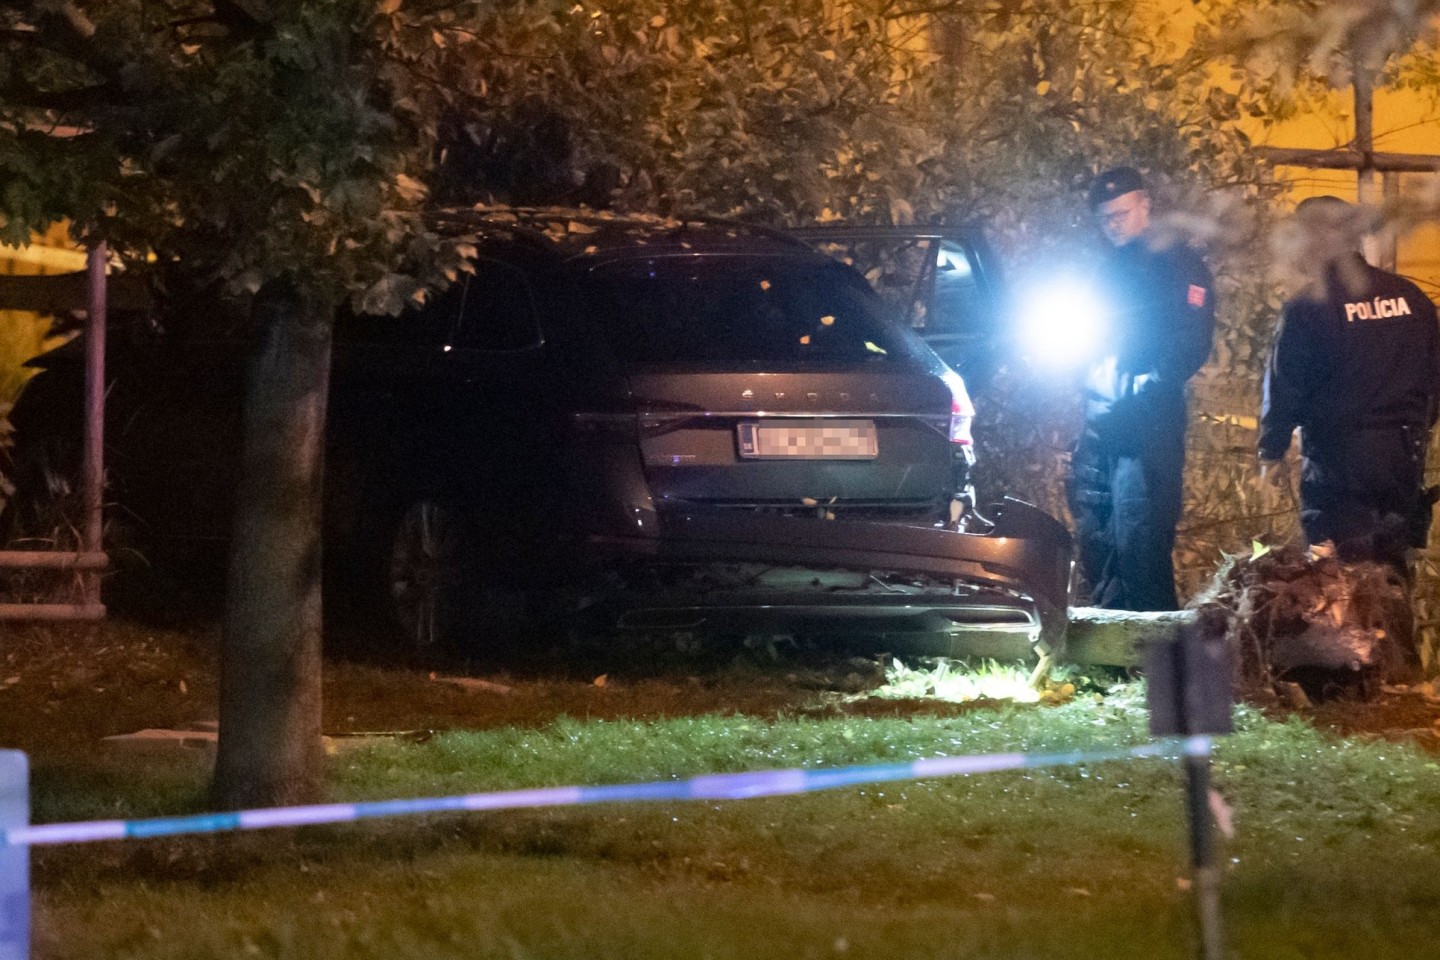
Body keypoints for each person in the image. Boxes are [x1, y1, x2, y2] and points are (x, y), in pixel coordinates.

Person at [1259, 195, 1440, 571]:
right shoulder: (1412, 299)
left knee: (1336, 586)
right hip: (1401, 462)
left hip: (1336, 471)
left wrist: (1271, 454)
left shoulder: (1307, 309)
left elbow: (1284, 389)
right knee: (1389, 581)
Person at [1067, 166, 1216, 610]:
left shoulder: (1180, 264)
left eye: (1120, 213)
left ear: (1145, 205)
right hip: (1101, 422)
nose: (1112, 225)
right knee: (1098, 537)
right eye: (1104, 218)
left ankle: (1157, 661)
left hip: (1148, 427)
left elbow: (1192, 342)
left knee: (1141, 543)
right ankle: (1112, 657)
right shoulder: (1107, 270)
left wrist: (1148, 387)